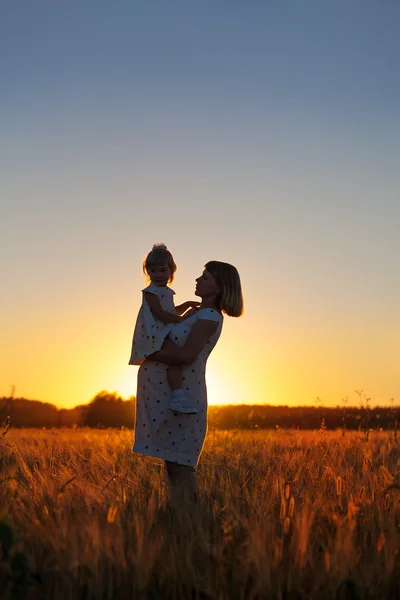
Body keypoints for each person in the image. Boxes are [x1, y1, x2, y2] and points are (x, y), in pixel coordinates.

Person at [132, 260, 244, 505]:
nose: (197, 280)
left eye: (204, 277)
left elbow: (185, 356)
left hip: (183, 397)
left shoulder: (210, 317)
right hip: (167, 396)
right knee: (173, 465)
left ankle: (190, 520)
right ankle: (182, 521)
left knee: (180, 466)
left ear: (219, 287)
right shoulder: (197, 315)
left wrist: (148, 355)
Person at [128, 243, 200, 414]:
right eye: (153, 271)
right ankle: (178, 396)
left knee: (176, 358)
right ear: (147, 272)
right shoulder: (150, 292)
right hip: (153, 334)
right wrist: (181, 320)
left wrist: (187, 305)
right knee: (177, 356)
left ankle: (177, 396)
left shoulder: (167, 292)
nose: (158, 275)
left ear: (171, 270)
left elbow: (170, 311)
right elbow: (159, 313)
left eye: (162, 270)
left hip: (163, 333)